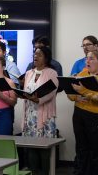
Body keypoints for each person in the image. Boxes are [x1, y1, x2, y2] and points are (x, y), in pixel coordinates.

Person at [67, 49, 98, 175]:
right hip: (79, 114)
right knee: (81, 149)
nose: (87, 61)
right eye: (86, 58)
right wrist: (75, 96)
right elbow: (71, 94)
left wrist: (83, 91)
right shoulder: (83, 73)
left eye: (91, 58)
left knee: (97, 151)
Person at [20, 46, 58, 175]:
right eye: (35, 54)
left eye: (39, 54)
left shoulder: (52, 73)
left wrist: (39, 100)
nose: (35, 56)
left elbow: (52, 92)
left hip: (44, 116)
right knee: (31, 148)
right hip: (30, 116)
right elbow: (26, 91)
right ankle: (33, 172)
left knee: (44, 149)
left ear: (46, 58)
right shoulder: (29, 73)